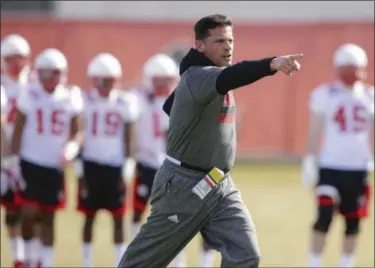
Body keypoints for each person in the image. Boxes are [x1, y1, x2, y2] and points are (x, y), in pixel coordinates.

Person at [118, 14, 303, 268]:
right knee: (141, 263)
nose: (228, 46)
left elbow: (170, 106)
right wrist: (271, 63)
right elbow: (232, 76)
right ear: (200, 46)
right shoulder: (201, 75)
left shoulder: (201, 77)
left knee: (246, 255)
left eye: (230, 40)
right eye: (219, 41)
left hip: (219, 184)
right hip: (183, 186)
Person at [302, 43, 373, 268]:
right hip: (330, 166)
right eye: (347, 67)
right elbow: (315, 129)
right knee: (324, 215)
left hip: (358, 167)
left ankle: (346, 263)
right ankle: (314, 262)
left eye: (355, 67)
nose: (351, 73)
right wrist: (309, 160)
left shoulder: (370, 96)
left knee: (353, 222)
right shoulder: (326, 94)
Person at [11, 48, 83, 268]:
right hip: (30, 161)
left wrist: (72, 147)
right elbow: (18, 128)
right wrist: (13, 160)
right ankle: (31, 259)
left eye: (54, 73)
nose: (49, 79)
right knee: (28, 214)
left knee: (50, 217)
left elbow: (78, 131)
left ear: (63, 74)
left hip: (54, 166)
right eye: (44, 74)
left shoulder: (71, 96)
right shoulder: (29, 93)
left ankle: (47, 262)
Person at [74, 53, 139, 267]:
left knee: (119, 218)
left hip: (114, 165)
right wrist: (79, 171)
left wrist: (127, 171)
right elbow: (76, 136)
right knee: (89, 217)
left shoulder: (125, 102)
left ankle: (120, 262)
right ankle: (86, 262)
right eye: (102, 79)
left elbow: (129, 140)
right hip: (91, 163)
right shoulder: (82, 100)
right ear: (94, 79)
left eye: (110, 79)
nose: (106, 84)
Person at [1, 33, 33, 268]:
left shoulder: (34, 84)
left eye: (19, 58)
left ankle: (31, 255)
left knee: (31, 208)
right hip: (3, 155)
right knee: (11, 208)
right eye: (11, 58)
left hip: (29, 153)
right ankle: (17, 255)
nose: (16, 63)